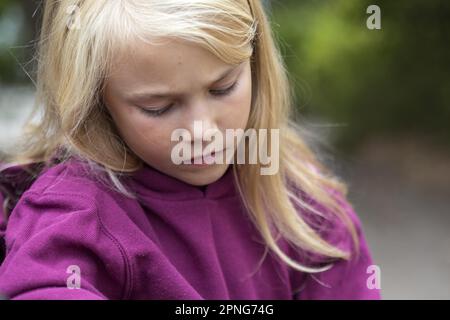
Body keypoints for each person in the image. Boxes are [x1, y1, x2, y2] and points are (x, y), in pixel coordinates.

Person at [0, 0, 381, 300]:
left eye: (223, 88)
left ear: (255, 62)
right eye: (159, 107)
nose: (201, 131)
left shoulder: (303, 201)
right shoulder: (72, 211)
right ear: (99, 102)